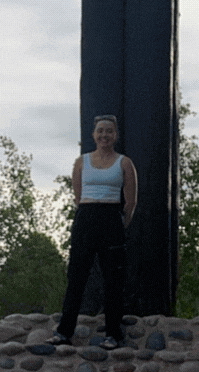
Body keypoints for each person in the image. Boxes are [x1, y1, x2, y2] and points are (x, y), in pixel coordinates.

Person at [50, 115, 137, 349]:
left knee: (113, 280)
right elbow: (78, 196)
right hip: (86, 219)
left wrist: (120, 225)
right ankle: (64, 332)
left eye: (109, 131)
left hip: (111, 219)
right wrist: (88, 215)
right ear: (94, 135)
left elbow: (130, 202)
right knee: (76, 278)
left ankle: (113, 334)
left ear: (115, 135)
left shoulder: (124, 163)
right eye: (100, 131)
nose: (104, 136)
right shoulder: (82, 162)